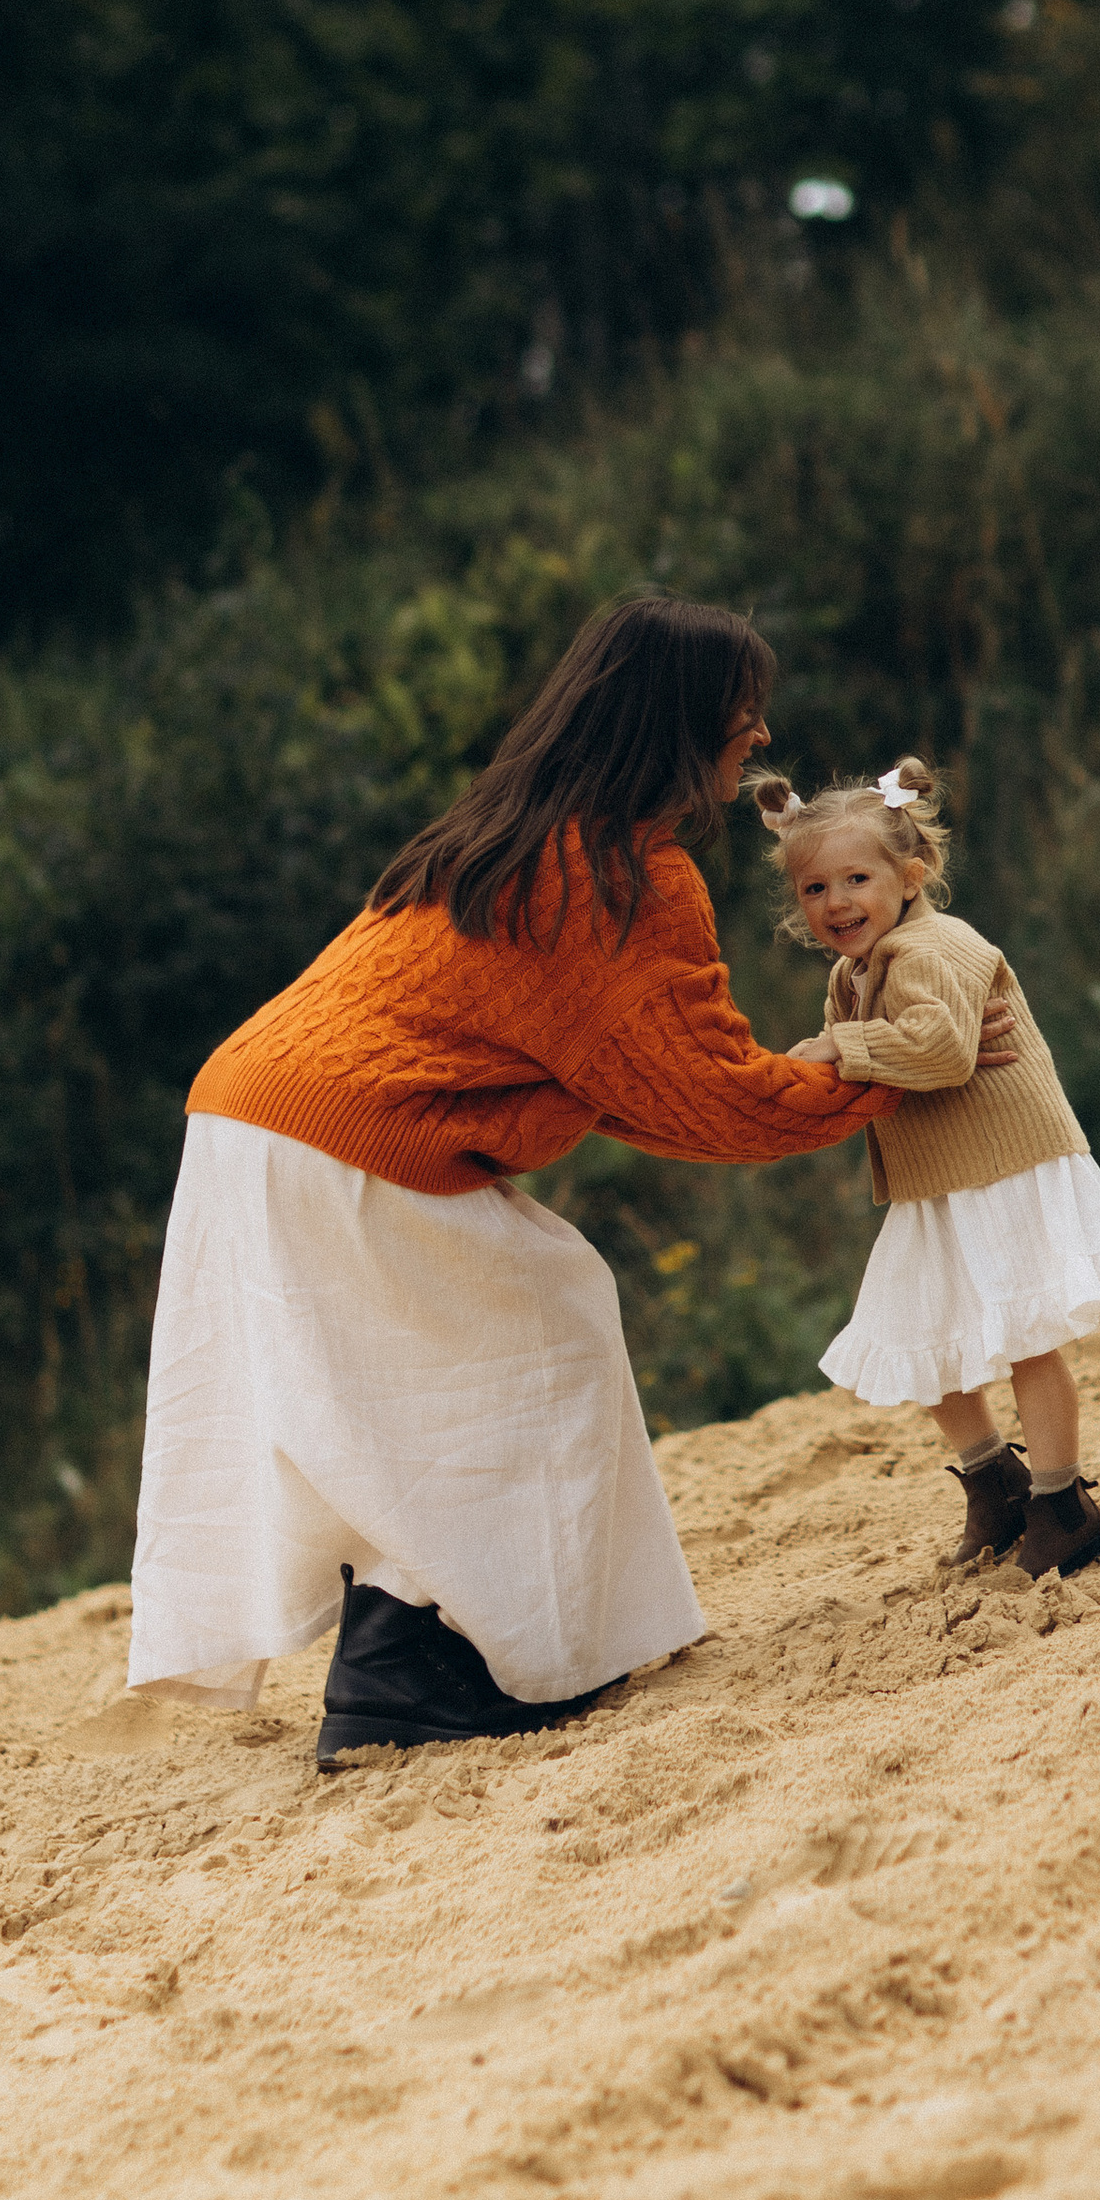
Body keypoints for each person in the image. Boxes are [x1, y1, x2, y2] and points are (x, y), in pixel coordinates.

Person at [126, 596, 1008, 1770]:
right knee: (530, 1341)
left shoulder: (501, 834)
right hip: (343, 1140)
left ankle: (410, 1657)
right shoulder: (622, 877)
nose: (756, 736)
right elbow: (705, 1097)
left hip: (250, 1118)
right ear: (682, 718)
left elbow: (653, 1073)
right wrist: (888, 1069)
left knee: (470, 1355)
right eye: (740, 714)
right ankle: (415, 1671)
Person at [754, 752, 1100, 1577]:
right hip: (937, 1178)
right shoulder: (853, 973)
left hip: (1006, 1167)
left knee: (1026, 1338)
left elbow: (937, 1051)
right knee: (919, 1331)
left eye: (857, 879)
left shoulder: (935, 946)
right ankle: (995, 1481)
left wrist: (843, 1046)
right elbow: (879, 1065)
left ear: (913, 873)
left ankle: (1063, 1503)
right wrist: (819, 1069)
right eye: (815, 889)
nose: (837, 903)